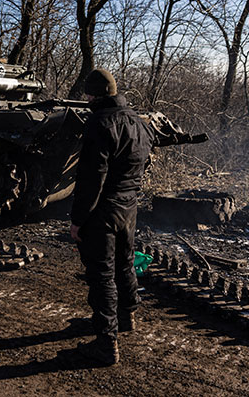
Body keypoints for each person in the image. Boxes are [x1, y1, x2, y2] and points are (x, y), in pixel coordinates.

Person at [70, 68, 154, 365]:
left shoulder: (99, 122)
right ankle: (126, 316)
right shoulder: (137, 121)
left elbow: (92, 178)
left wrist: (78, 219)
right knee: (125, 262)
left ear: (94, 94)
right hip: (129, 206)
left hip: (103, 210)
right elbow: (145, 161)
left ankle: (106, 343)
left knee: (102, 274)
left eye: (89, 94)